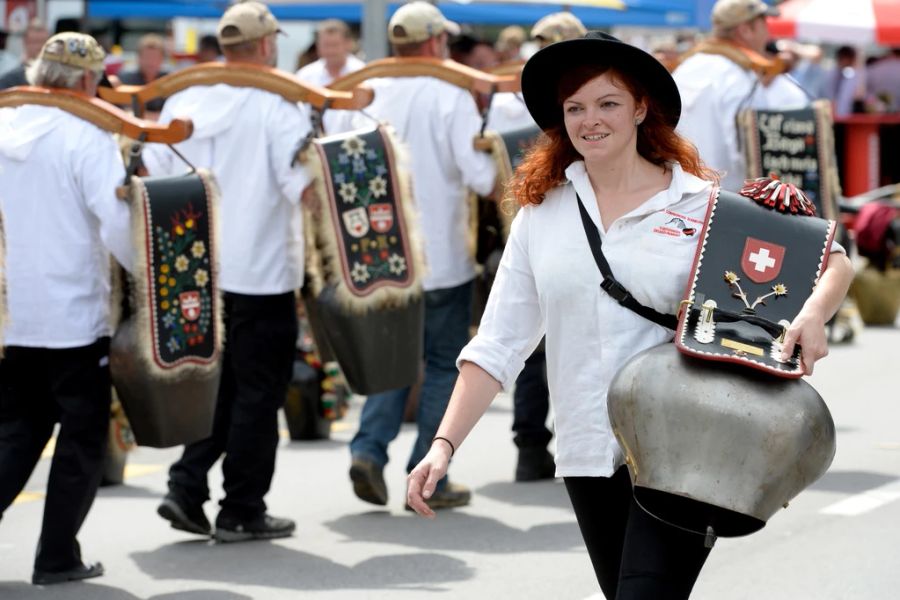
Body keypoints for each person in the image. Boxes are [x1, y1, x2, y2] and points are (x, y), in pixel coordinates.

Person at [406, 32, 854, 598]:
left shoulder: (702, 205)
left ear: (641, 108)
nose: (590, 120)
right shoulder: (541, 217)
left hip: (691, 445)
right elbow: (498, 345)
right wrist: (443, 446)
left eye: (607, 103)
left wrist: (812, 315)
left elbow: (831, 257)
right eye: (575, 108)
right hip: (588, 450)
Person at [142, 1, 314, 543]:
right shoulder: (279, 105)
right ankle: (241, 506)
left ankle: (186, 486)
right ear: (265, 45)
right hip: (262, 273)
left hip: (199, 273)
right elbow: (302, 187)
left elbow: (156, 180)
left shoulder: (186, 98)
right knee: (257, 396)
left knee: (221, 388)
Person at [347, 1, 496, 511]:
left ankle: (367, 449)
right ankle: (427, 471)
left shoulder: (368, 91)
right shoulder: (449, 93)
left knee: (391, 362)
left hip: (383, 252)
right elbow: (477, 177)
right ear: (434, 42)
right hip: (443, 256)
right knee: (440, 365)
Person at [0, 32, 133, 585]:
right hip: (76, 315)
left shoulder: (4, 128)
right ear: (85, 80)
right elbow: (119, 226)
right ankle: (56, 555)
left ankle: (57, 553)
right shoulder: (89, 137)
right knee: (80, 437)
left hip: (18, 315)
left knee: (16, 430)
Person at [486, 11, 587, 482]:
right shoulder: (587, 90)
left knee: (530, 340)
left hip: (526, 215)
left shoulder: (509, 98)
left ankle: (531, 443)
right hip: (564, 217)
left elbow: (486, 168)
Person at [672, 0, 808, 192]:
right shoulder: (741, 76)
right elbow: (752, 153)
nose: (768, 34)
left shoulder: (686, 67)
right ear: (745, 30)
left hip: (681, 197)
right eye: (764, 25)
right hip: (728, 203)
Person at [117, 34, 169, 114]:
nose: (150, 62)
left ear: (162, 59)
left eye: (155, 57)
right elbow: (124, 112)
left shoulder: (169, 81)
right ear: (139, 58)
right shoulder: (125, 80)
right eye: (147, 57)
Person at [0, 18, 50, 89]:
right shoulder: (10, 73)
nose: (40, 46)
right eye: (35, 42)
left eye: (43, 41)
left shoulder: (53, 76)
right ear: (25, 42)